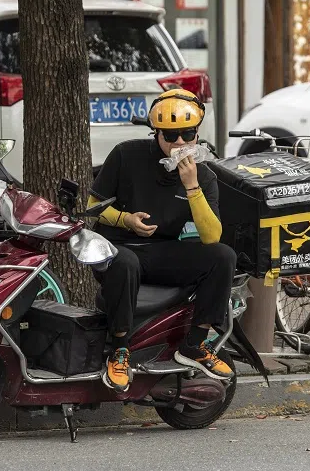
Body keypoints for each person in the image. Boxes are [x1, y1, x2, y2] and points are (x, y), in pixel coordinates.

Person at [87, 88, 236, 393]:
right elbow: (93, 207)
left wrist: (191, 186)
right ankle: (119, 350)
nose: (180, 143)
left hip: (161, 250)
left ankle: (195, 345)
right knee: (125, 261)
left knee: (223, 256)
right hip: (117, 247)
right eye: (170, 136)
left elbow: (212, 236)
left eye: (187, 134)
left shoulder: (203, 174)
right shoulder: (127, 154)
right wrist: (125, 219)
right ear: (156, 133)